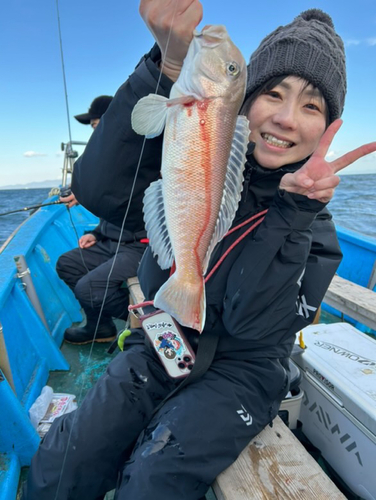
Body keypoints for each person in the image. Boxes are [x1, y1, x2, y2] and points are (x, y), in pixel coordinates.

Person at [23, 2, 376, 499]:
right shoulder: (190, 139)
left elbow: (253, 323)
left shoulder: (314, 234)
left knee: (152, 480)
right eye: (272, 93)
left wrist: (292, 214)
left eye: (312, 106)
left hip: (242, 374)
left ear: (326, 127)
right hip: (163, 338)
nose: (286, 118)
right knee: (65, 460)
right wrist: (162, 68)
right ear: (243, 101)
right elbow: (98, 188)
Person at [56, 94, 148, 344]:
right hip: (112, 242)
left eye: (97, 125)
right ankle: (100, 327)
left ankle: (148, 322)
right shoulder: (108, 157)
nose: (95, 132)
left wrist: (84, 192)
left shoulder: (139, 150)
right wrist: (96, 233)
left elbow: (130, 199)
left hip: (141, 247)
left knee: (89, 288)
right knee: (68, 263)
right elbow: (113, 209)